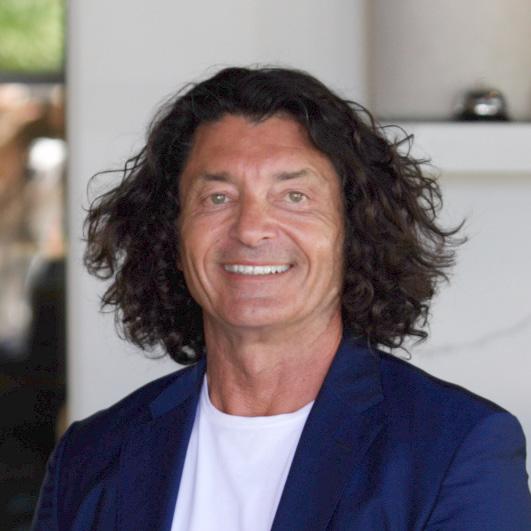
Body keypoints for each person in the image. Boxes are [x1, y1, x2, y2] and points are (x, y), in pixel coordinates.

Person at [32, 67, 531, 530]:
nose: (251, 229)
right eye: (218, 198)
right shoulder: (90, 455)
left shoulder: (456, 448)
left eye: (294, 197)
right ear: (172, 237)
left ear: (354, 234)